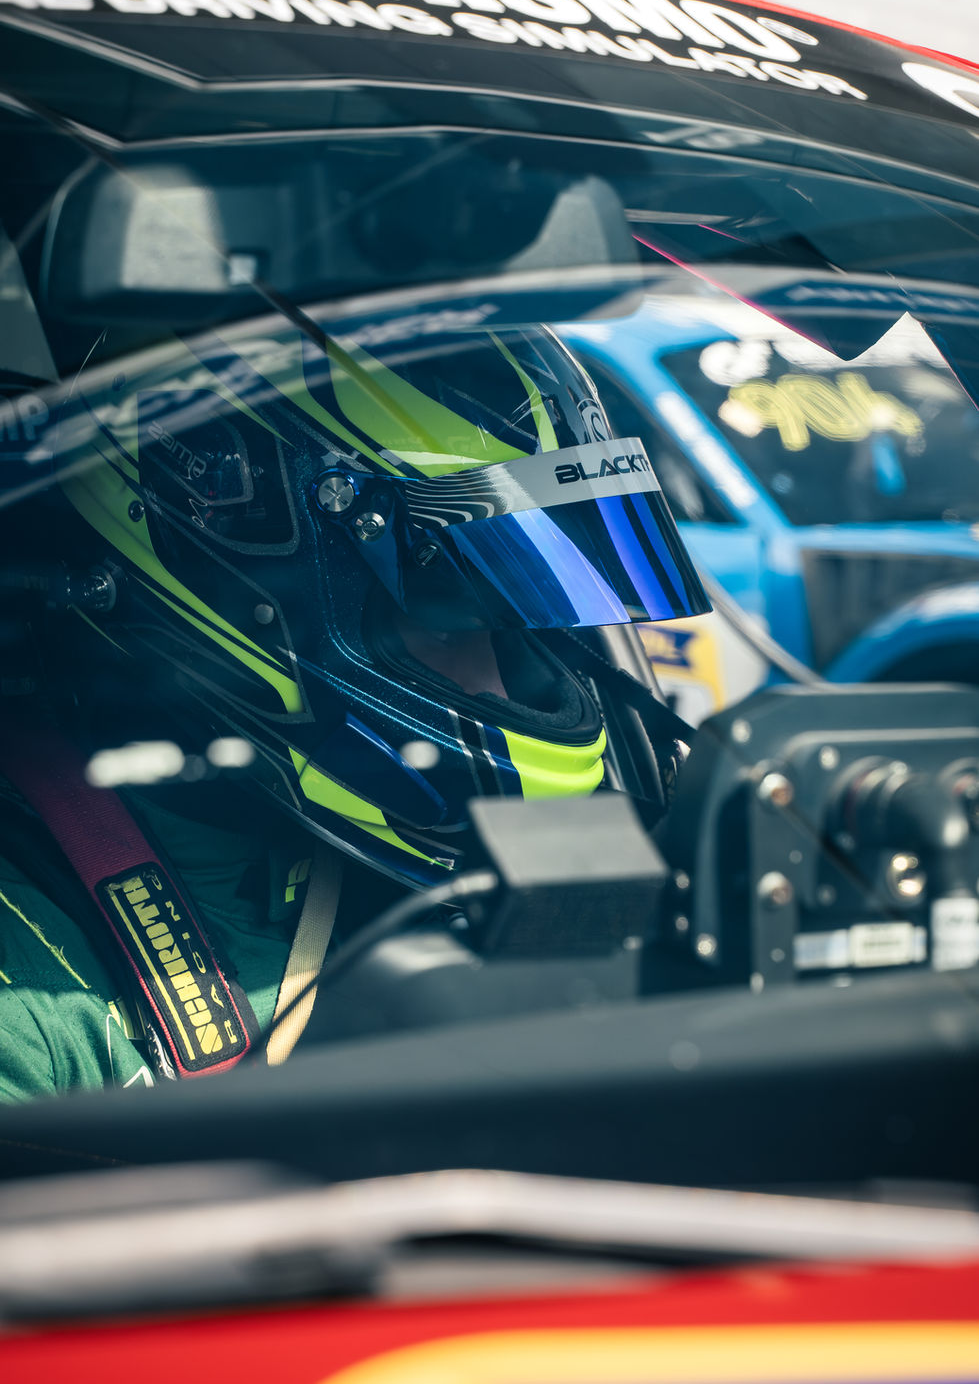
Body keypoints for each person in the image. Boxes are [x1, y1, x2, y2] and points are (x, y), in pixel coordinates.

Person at [0, 319, 708, 1101]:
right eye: (449, 621)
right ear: (246, 603)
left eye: (528, 629)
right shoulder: (34, 989)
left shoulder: (648, 898)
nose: (510, 687)